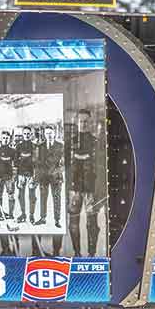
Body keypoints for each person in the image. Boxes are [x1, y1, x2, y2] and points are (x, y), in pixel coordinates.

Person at [67, 109, 99, 256]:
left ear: (90, 122)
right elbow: (65, 167)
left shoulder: (96, 142)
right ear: (76, 122)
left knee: (92, 223)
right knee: (73, 223)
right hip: (74, 189)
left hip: (90, 189)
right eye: (81, 121)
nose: (83, 124)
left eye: (86, 121)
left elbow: (100, 167)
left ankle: (91, 256)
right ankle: (77, 254)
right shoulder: (69, 143)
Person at [35, 125, 64, 228]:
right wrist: (37, 177)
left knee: (57, 198)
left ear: (54, 133)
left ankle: (57, 220)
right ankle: (43, 218)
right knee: (43, 197)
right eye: (47, 133)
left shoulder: (60, 146)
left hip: (56, 177)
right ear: (44, 134)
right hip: (44, 177)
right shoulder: (40, 146)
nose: (49, 135)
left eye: (51, 133)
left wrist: (57, 171)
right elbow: (37, 163)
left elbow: (63, 163)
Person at [15, 125, 37, 223]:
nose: (27, 135)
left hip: (31, 174)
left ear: (31, 134)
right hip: (21, 174)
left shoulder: (34, 146)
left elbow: (37, 161)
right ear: (22, 134)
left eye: (28, 134)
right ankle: (23, 214)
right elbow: (15, 161)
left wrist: (35, 175)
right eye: (25, 134)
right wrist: (16, 175)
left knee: (32, 196)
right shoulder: (18, 146)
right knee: (20, 195)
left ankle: (31, 215)